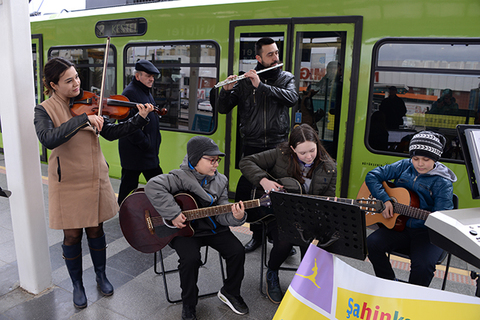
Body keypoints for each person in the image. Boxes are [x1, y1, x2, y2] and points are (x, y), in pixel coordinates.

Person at [34, 57, 155, 308]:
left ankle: (101, 275)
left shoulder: (91, 103)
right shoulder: (44, 109)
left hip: (94, 177)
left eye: (76, 77)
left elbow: (111, 133)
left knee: (96, 230)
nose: (76, 83)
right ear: (53, 85)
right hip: (67, 181)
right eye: (69, 81)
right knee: (72, 235)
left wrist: (139, 120)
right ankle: (77, 284)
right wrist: (82, 120)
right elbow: (48, 139)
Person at [144, 136, 249, 320]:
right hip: (183, 231)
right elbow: (153, 186)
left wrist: (236, 216)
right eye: (211, 160)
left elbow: (222, 214)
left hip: (213, 228)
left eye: (218, 160)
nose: (216, 164)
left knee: (237, 250)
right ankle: (189, 304)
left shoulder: (221, 180)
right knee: (191, 259)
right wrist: (174, 213)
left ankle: (230, 292)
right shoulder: (177, 177)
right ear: (195, 159)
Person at [239, 124, 337, 304]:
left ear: (317, 143)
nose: (308, 156)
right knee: (284, 242)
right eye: (302, 153)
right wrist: (263, 181)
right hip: (278, 213)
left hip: (309, 217)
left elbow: (328, 199)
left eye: (312, 150)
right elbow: (245, 162)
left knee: (313, 246)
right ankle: (272, 271)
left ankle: (306, 283)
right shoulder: (280, 155)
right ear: (292, 149)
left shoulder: (329, 167)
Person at [217, 37, 298, 253]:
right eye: (270, 54)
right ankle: (257, 235)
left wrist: (261, 86)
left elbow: (291, 98)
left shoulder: (286, 78)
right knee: (251, 193)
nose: (275, 58)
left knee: (279, 193)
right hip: (252, 145)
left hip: (278, 145)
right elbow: (223, 109)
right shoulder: (245, 82)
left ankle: (281, 238)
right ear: (258, 58)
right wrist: (226, 90)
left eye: (276, 53)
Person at [365, 131, 457, 287]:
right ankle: (389, 283)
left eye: (426, 159)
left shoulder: (443, 182)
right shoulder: (404, 166)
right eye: (415, 159)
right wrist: (385, 199)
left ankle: (413, 296)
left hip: (426, 233)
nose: (420, 164)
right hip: (400, 227)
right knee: (371, 243)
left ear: (435, 159)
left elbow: (443, 217)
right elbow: (372, 175)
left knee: (423, 266)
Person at [117, 59, 163, 205]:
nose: (151, 79)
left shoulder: (144, 92)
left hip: (146, 151)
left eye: (153, 76)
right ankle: (125, 211)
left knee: (130, 184)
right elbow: (126, 124)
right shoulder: (130, 93)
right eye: (148, 76)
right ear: (137, 76)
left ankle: (125, 210)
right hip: (137, 152)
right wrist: (145, 143)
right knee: (155, 183)